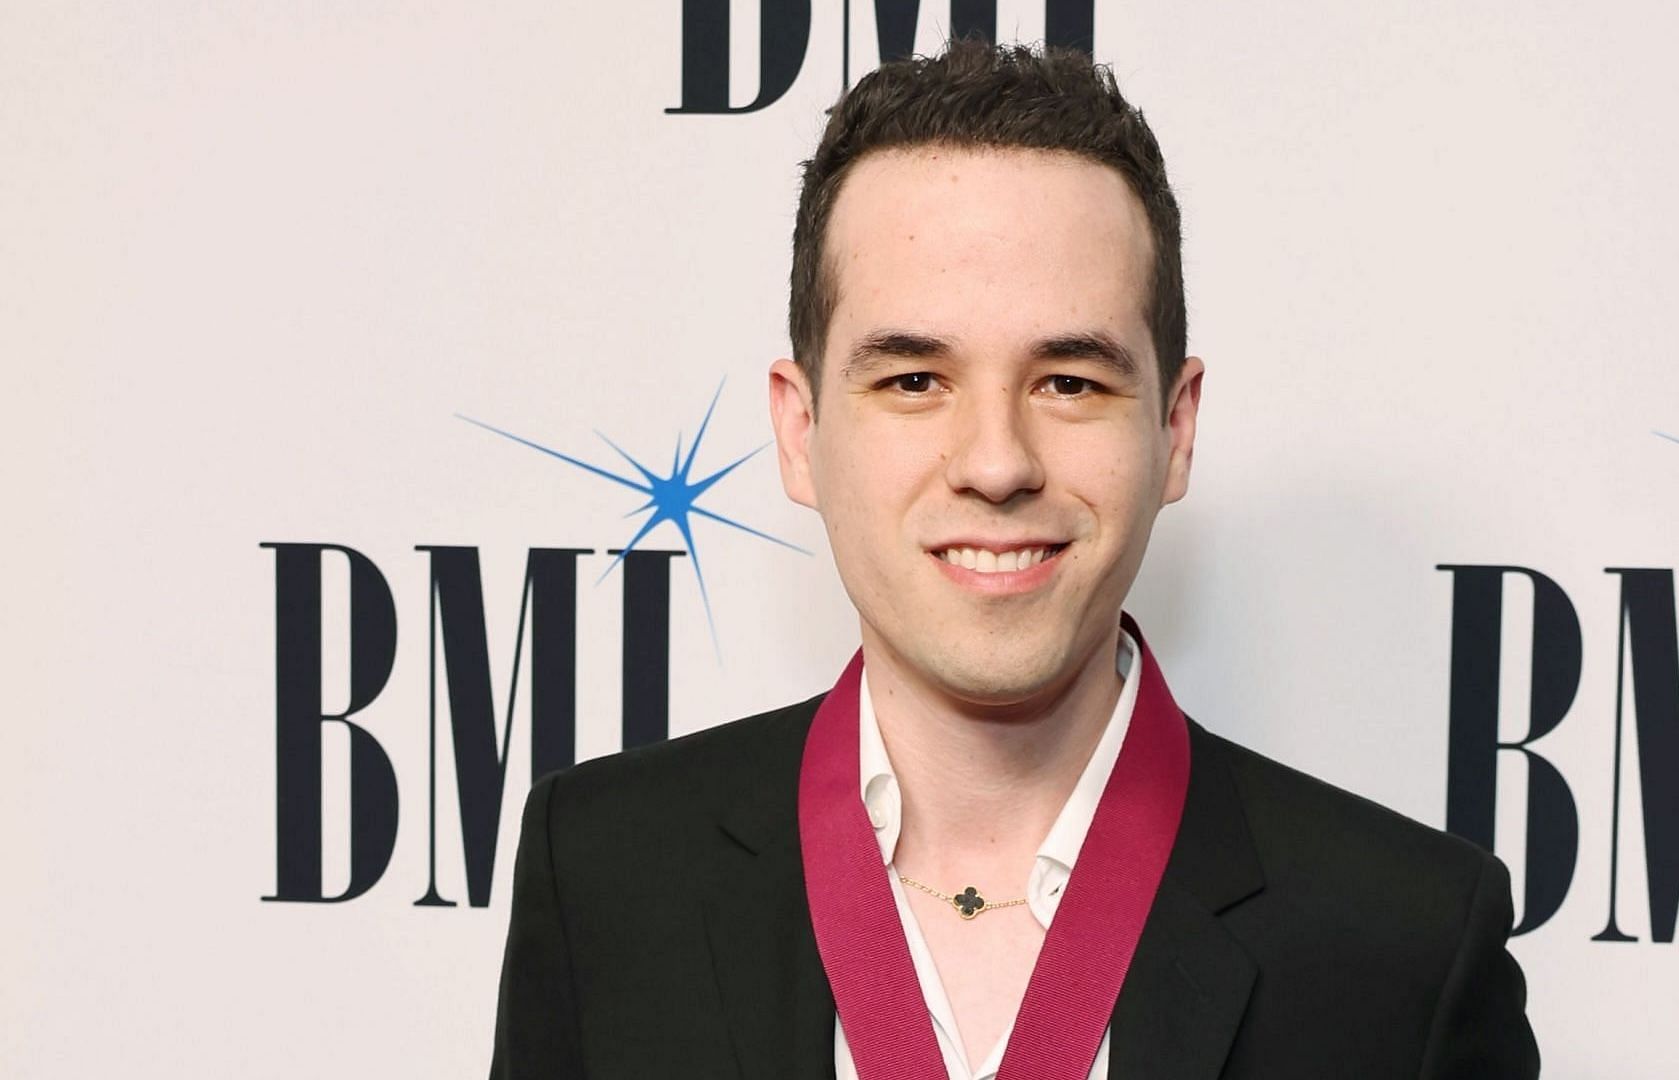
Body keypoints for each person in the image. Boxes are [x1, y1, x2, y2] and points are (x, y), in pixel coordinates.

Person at [491, 39, 1538, 1079]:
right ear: (801, 432)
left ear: (1174, 430)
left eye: (1071, 381)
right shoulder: (602, 876)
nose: (996, 464)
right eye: (912, 380)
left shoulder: (1406, 948)